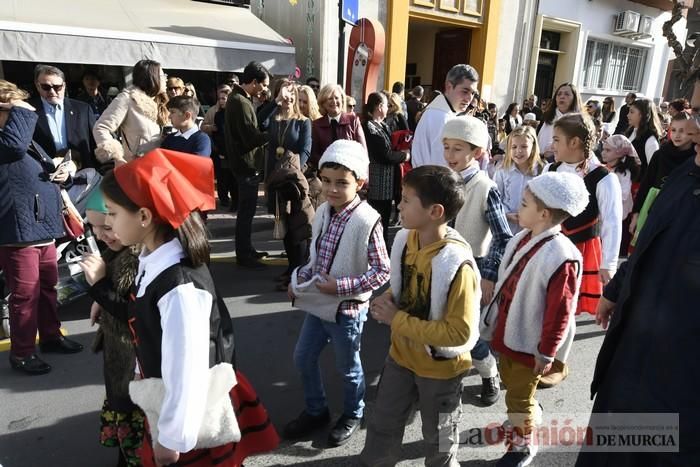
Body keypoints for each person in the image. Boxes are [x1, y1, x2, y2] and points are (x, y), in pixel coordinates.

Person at [82, 149, 279, 466]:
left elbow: (187, 372)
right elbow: (145, 326)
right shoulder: (153, 260)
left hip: (190, 419)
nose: (109, 223)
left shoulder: (179, 287)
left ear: (144, 217)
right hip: (166, 402)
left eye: (114, 214)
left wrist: (171, 438)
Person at [575, 116, 700, 467]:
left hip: (679, 396)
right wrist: (615, 289)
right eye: (693, 111)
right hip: (630, 369)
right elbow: (647, 244)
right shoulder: (683, 173)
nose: (690, 129)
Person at [359, 165, 480, 467]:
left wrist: (396, 319)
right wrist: (387, 298)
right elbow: (405, 287)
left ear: (435, 211)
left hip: (440, 371)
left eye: (406, 199)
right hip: (400, 357)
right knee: (382, 426)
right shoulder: (405, 239)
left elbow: (460, 335)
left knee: (439, 440)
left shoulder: (456, 264)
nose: (399, 205)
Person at [284, 140, 390, 447]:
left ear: (360, 182)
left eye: (342, 183)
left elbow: (382, 271)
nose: (332, 189)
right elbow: (316, 260)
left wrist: (340, 287)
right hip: (320, 305)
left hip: (347, 310)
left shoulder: (367, 220)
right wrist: (298, 280)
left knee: (348, 368)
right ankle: (316, 410)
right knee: (303, 358)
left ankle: (352, 413)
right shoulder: (324, 211)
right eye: (326, 181)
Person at [481, 172, 587, 467]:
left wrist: (547, 351)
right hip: (511, 330)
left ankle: (523, 443)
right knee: (514, 386)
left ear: (543, 213)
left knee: (519, 396)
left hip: (531, 344)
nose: (518, 207)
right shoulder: (524, 238)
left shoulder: (561, 255)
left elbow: (560, 312)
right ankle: (523, 415)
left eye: (525, 204)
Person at [0, 80, 83, 375]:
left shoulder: (16, 136)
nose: (22, 113)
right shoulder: (10, 139)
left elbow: (43, 165)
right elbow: (12, 148)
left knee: (47, 288)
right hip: (17, 231)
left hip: (40, 225)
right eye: (15, 107)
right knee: (25, 295)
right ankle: (21, 353)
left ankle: (50, 336)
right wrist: (20, 112)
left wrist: (64, 172)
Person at [544, 113, 622, 387]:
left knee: (567, 307)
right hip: (551, 246)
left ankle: (560, 362)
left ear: (575, 142)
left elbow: (612, 222)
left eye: (556, 139)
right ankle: (544, 352)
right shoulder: (551, 170)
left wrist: (608, 263)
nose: (552, 145)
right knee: (546, 304)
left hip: (582, 249)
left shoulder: (602, 177)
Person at [443, 116, 513, 405]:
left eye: (458, 149)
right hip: (444, 266)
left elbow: (502, 236)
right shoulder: (444, 180)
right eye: (446, 147)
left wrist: (489, 274)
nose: (450, 155)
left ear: (477, 152)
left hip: (474, 270)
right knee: (444, 325)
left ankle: (489, 372)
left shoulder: (486, 187)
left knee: (469, 333)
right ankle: (447, 380)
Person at [81, 187, 144, 466]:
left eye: (106, 226)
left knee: (140, 446)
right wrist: (101, 299)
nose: (99, 235)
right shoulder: (118, 252)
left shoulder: (140, 259)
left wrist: (99, 287)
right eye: (92, 227)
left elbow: (133, 314)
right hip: (121, 365)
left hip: (136, 371)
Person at [264, 79, 313, 290]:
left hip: (294, 181)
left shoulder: (303, 121)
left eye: (293, 94)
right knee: (282, 222)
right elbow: (260, 123)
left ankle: (298, 271)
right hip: (276, 179)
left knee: (297, 227)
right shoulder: (274, 119)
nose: (289, 98)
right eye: (286, 94)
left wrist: (293, 174)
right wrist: (275, 101)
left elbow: (305, 150)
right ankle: (291, 266)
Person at [224, 61, 270, 269]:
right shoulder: (240, 102)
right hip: (246, 165)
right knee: (246, 212)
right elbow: (250, 137)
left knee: (247, 211)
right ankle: (244, 253)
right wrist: (271, 135)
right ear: (253, 82)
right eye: (264, 84)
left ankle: (247, 249)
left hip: (244, 164)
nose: (264, 89)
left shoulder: (239, 99)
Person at [629, 113, 695, 242]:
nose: (677, 135)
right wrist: (636, 213)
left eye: (683, 131)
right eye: (674, 130)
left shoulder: (695, 158)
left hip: (681, 212)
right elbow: (646, 183)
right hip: (654, 207)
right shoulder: (661, 154)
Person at [94, 59, 169, 165]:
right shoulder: (127, 99)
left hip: (159, 166)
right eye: (162, 75)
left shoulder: (161, 102)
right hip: (135, 168)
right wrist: (117, 157)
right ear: (152, 78)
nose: (166, 79)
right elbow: (101, 127)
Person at [362, 92, 410, 241]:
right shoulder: (369, 126)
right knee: (378, 220)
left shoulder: (382, 125)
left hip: (388, 183)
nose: (388, 108)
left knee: (385, 218)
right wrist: (404, 155)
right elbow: (384, 155)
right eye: (386, 105)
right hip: (378, 184)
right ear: (379, 106)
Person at [29, 64, 98, 169]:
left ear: (64, 86)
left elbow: (95, 142)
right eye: (46, 87)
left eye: (57, 87)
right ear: (38, 86)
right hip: (44, 175)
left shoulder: (83, 109)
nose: (52, 92)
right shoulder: (28, 111)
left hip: (81, 173)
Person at [412, 64, 479, 167]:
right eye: (465, 91)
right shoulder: (441, 118)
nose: (469, 98)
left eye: (473, 93)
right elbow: (442, 165)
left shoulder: (441, 113)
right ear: (449, 86)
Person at [494, 126, 545, 234]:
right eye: (514, 147)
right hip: (507, 228)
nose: (518, 151)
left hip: (532, 229)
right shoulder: (502, 171)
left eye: (524, 146)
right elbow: (496, 199)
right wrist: (506, 214)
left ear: (533, 148)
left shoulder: (542, 171)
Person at [309, 84, 367, 172]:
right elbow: (314, 154)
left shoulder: (353, 121)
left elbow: (363, 153)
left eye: (336, 98)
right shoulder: (316, 125)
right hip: (326, 175)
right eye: (330, 98)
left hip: (350, 175)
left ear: (342, 100)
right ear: (323, 103)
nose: (334, 101)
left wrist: (364, 181)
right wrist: (329, 167)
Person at [600, 135, 641, 256]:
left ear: (620, 153)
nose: (603, 153)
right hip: (605, 215)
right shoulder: (604, 169)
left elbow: (623, 194)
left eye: (608, 150)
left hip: (619, 217)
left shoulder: (623, 173)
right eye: (603, 149)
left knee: (615, 249)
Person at [202, 85, 235, 207]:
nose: (221, 100)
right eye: (220, 97)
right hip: (219, 149)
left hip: (232, 150)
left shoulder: (233, 112)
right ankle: (224, 199)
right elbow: (204, 127)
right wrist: (212, 128)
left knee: (232, 177)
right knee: (222, 177)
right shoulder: (214, 112)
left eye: (224, 98)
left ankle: (234, 200)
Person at [537, 82, 584, 161]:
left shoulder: (580, 121)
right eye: (559, 94)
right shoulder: (547, 116)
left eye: (567, 94)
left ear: (574, 98)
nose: (562, 97)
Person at [625, 98, 662, 181]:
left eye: (632, 112)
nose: (628, 115)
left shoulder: (650, 139)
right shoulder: (631, 131)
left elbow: (653, 169)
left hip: (637, 186)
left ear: (643, 114)